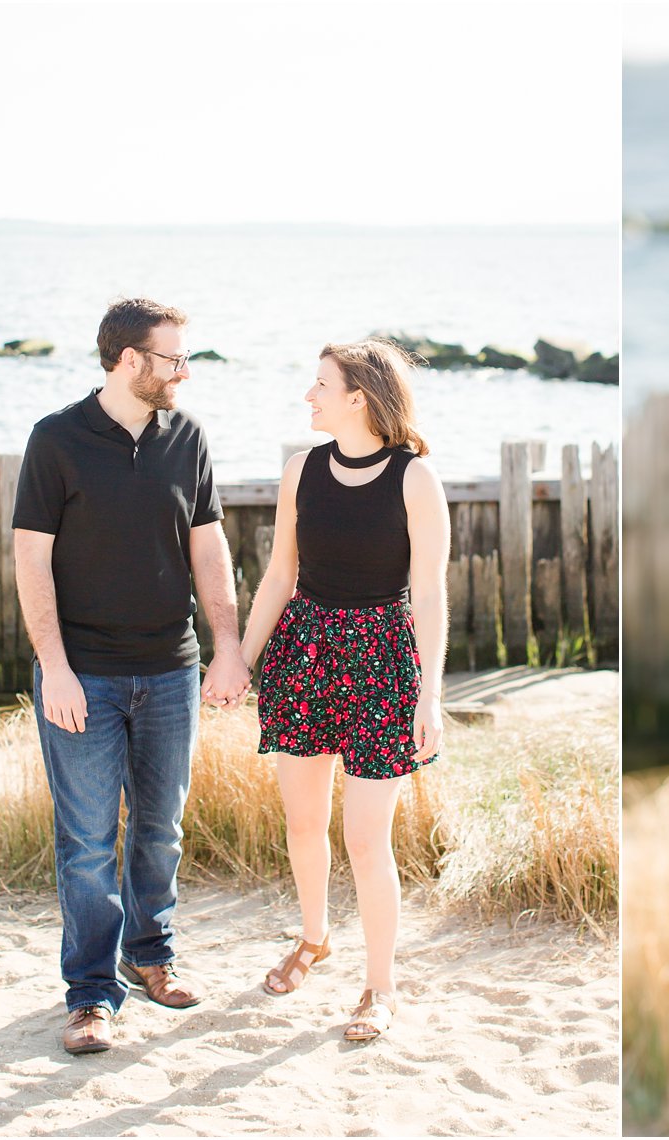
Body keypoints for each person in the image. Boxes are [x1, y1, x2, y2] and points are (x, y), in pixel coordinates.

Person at [13, 298, 251, 1056]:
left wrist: (227, 644)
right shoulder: (55, 440)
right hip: (82, 675)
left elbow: (209, 549)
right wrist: (55, 669)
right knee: (85, 839)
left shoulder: (187, 437)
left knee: (160, 829)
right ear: (127, 361)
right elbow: (31, 560)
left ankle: (150, 953)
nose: (184, 371)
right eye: (172, 358)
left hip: (170, 671)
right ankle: (89, 994)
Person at [239, 338, 450, 1042]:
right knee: (303, 824)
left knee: (365, 838)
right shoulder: (301, 471)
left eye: (321, 384)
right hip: (304, 652)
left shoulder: (414, 478)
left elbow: (429, 594)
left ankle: (379, 988)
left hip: (382, 663)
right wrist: (240, 659)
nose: (309, 395)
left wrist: (430, 695)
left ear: (358, 396)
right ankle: (314, 937)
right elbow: (278, 576)